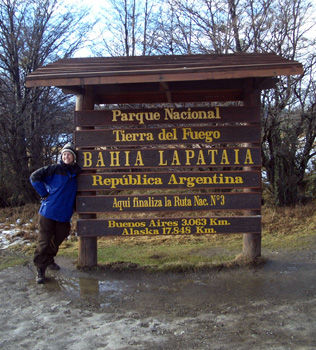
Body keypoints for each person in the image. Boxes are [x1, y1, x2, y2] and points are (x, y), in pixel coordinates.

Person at [30, 143, 81, 284]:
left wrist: (75, 206)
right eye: (64, 154)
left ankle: (49, 259)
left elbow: (76, 192)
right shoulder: (54, 169)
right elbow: (34, 177)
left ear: (74, 158)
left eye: (69, 154)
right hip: (48, 212)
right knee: (44, 242)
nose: (66, 156)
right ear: (61, 156)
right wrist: (44, 193)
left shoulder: (76, 173)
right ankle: (40, 269)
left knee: (60, 236)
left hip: (64, 214)